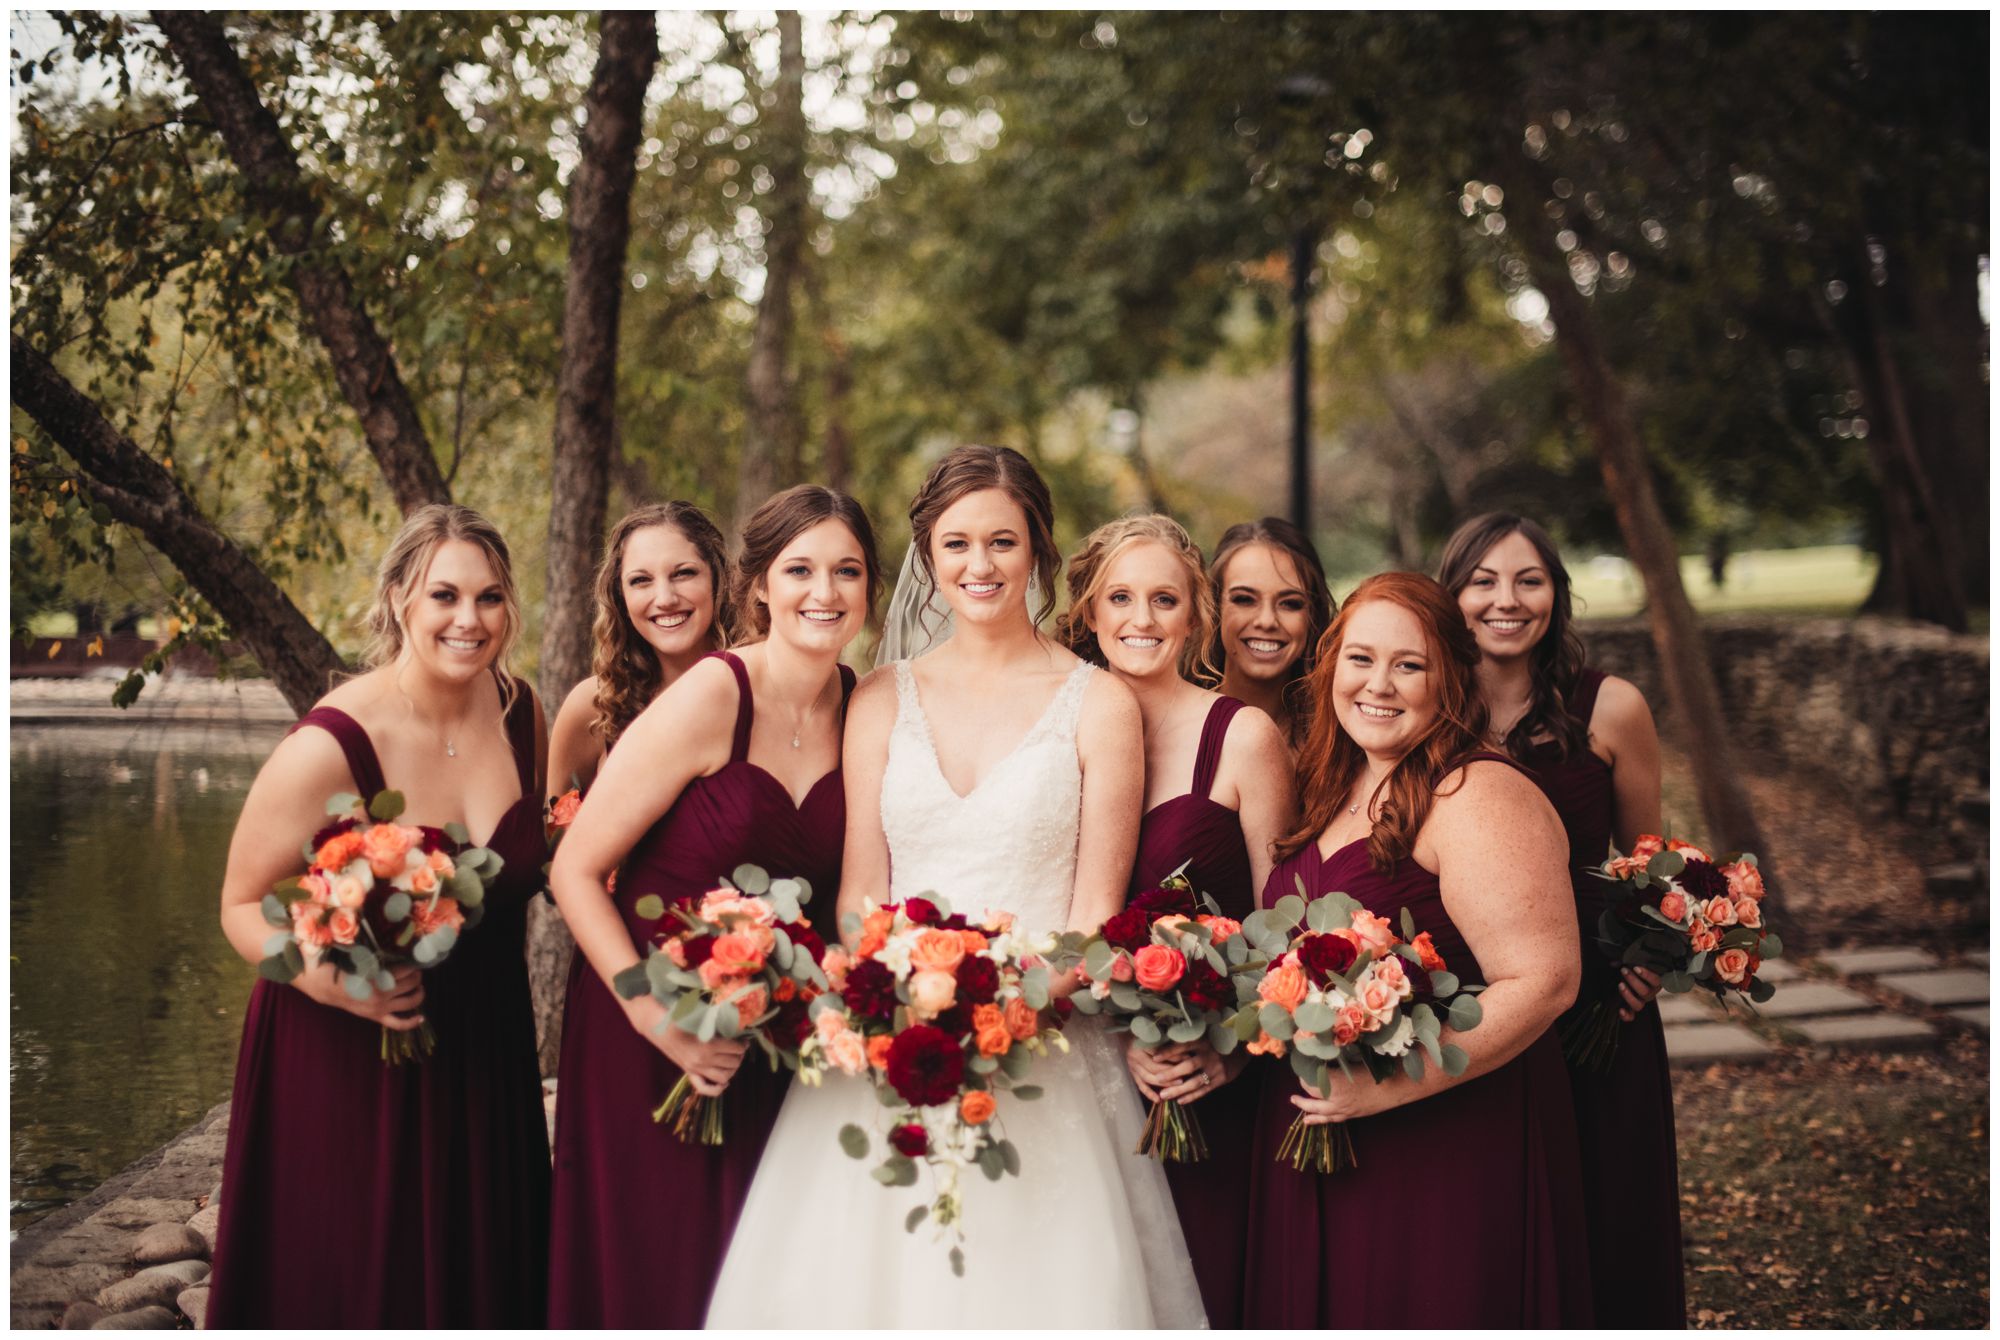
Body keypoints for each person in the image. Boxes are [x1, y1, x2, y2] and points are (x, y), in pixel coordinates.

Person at [705, 446, 1207, 1328]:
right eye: (957, 544)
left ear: (1039, 552)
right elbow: (863, 890)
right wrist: (897, 1000)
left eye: (1003, 542)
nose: (981, 566)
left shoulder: (1097, 704)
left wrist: (1006, 1008)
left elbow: (1097, 912)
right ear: (929, 558)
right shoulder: (883, 695)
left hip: (1046, 1044)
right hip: (890, 1038)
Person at [205, 504, 550, 1327]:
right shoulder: (331, 743)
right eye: (445, 596)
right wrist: (328, 984)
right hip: (350, 1046)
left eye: (491, 598)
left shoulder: (522, 712)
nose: (470, 620)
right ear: (400, 600)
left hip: (485, 1047)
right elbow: (241, 904)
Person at [545, 485, 880, 1327]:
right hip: (651, 1026)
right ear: (759, 585)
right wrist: (656, 1017)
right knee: (660, 1266)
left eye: (847, 571)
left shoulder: (868, 705)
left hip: (785, 1033)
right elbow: (577, 870)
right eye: (800, 569)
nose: (824, 592)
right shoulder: (712, 694)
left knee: (768, 1266)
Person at [1241, 571, 1592, 1328]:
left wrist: (1385, 1088)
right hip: (1325, 1128)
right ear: (1330, 666)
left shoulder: (1477, 796)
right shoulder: (1330, 785)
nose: (1380, 684)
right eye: (1361, 659)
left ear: (1450, 681)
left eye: (1411, 665)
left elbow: (1546, 980)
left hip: (1444, 1143)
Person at [1438, 512, 1681, 1327]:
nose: (1507, 601)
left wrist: (1652, 952)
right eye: (1484, 580)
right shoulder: (1423, 702)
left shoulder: (1612, 707)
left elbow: (1651, 863)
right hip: (1470, 1000)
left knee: (1606, 1212)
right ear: (1453, 594)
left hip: (1598, 1009)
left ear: (1556, 596)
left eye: (1529, 580)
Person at [1055, 513, 1293, 1328]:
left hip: (1206, 1078)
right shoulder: (1056, 730)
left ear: (1197, 616)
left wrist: (1229, 1053)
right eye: (1119, 597)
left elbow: (1283, 925)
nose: (1141, 620)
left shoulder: (1244, 737)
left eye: (1165, 599)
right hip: (1084, 1076)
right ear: (1088, 611)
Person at [546, 501, 733, 800]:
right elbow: (554, 836)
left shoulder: (760, 691)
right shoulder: (592, 706)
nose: (665, 598)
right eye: (641, 580)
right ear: (621, 596)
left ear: (717, 579)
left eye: (683, 573)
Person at [1207, 517, 1335, 747]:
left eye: (1290, 603)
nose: (1267, 621)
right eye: (1245, 599)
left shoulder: (1334, 744)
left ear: (1312, 616)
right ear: (1214, 607)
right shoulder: (1170, 727)